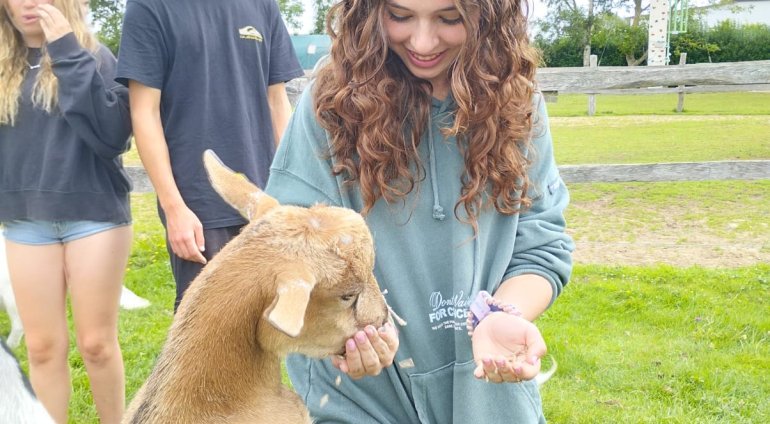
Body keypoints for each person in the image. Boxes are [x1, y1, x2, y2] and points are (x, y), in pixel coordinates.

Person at [264, 0, 575, 422]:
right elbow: (287, 252)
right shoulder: (329, 104)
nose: (423, 41)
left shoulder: (518, 101)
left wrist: (498, 315)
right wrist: (346, 333)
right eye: (400, 15)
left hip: (486, 396)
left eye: (449, 19)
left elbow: (541, 242)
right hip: (357, 399)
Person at [115, 0, 305, 311]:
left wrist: (291, 189)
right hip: (198, 207)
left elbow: (277, 103)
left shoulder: (262, 6)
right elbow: (144, 112)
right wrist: (174, 208)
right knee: (208, 331)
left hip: (265, 201)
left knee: (267, 327)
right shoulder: (150, 7)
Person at [0, 0, 133, 422]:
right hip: (25, 221)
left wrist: (65, 49)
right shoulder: (4, 68)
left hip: (93, 216)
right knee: (41, 348)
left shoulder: (94, 56)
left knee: (96, 344)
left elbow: (113, 136)